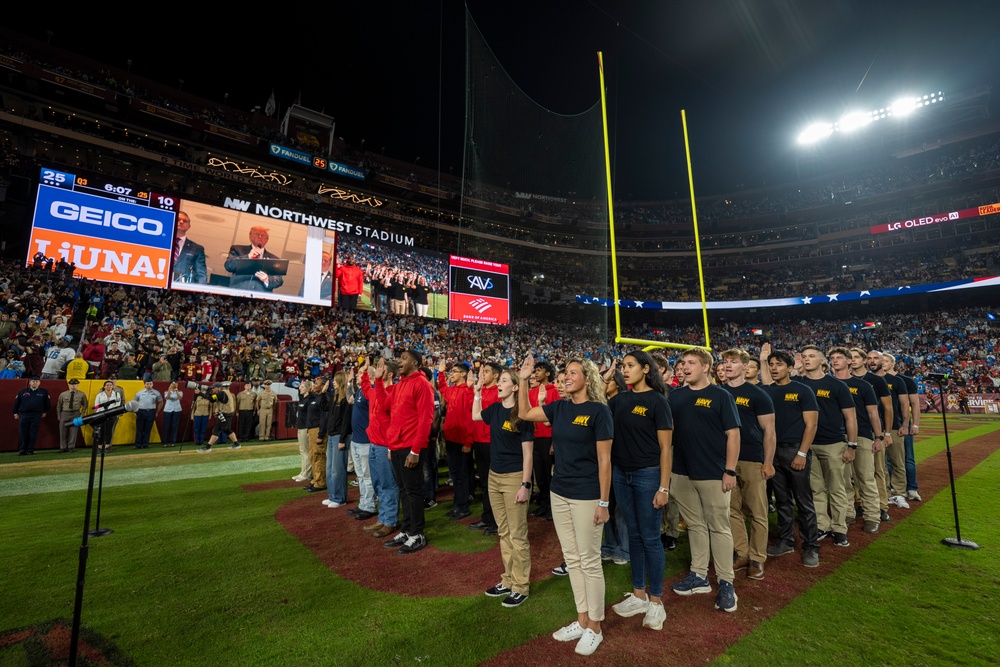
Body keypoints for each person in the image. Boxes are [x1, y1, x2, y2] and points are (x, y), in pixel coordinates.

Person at [518, 354, 613, 657]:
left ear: (588, 377)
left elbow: (605, 461)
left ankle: (595, 627)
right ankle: (583, 619)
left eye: (573, 373)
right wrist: (523, 378)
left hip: (587, 495)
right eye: (565, 373)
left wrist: (603, 502)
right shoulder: (558, 407)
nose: (566, 377)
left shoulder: (599, 412)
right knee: (572, 559)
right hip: (559, 492)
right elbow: (523, 412)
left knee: (589, 560)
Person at [667, 349, 741, 613]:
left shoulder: (721, 395)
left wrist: (729, 470)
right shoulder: (674, 396)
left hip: (713, 472)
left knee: (719, 527)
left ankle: (726, 582)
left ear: (706, 367)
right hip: (681, 471)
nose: (685, 367)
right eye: (682, 362)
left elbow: (733, 435)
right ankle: (699, 576)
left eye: (691, 363)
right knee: (696, 525)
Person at [604, 351, 673, 631]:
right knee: (633, 534)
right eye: (623, 366)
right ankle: (639, 594)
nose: (625, 369)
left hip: (647, 475)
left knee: (650, 537)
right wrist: (605, 376)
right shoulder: (618, 400)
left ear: (646, 369)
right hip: (622, 474)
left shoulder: (658, 401)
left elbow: (666, 448)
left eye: (630, 365)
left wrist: (664, 487)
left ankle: (656, 601)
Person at [474, 367, 534, 608]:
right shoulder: (496, 410)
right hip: (494, 477)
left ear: (516, 387)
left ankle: (521, 586)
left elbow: (528, 454)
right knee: (504, 532)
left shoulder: (522, 414)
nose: (499, 383)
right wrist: (477, 391)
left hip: (514, 478)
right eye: (499, 380)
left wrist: (525, 484)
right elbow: (476, 416)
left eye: (504, 380)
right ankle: (508, 580)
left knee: (518, 535)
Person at [760, 346, 820, 567]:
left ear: (791, 368)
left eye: (779, 365)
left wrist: (802, 453)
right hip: (773, 452)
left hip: (795, 450)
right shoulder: (767, 391)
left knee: (804, 502)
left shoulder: (803, 390)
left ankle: (811, 546)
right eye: (771, 365)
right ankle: (785, 541)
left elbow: (811, 425)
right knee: (782, 500)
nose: (774, 368)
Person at [793, 345, 857, 547]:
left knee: (836, 488)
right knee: (815, 489)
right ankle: (823, 524)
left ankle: (840, 528)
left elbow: (850, 417)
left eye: (811, 356)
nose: (807, 359)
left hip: (833, 443)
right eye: (804, 357)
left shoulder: (836, 385)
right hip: (807, 445)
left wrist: (852, 446)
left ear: (822, 361)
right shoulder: (797, 383)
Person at [720, 348, 775, 582]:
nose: (728, 366)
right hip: (724, 461)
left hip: (752, 458)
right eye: (725, 362)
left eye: (733, 362)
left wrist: (768, 462)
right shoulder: (718, 392)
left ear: (745, 366)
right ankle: (742, 553)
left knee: (757, 511)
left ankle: (757, 558)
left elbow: (769, 431)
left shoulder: (758, 394)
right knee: (731, 509)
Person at [378, 350, 435, 555]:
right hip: (397, 445)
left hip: (411, 447)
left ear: (415, 362)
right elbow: (384, 406)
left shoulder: (422, 385)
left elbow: (426, 419)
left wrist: (415, 450)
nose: (399, 361)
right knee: (403, 490)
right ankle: (407, 529)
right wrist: (378, 381)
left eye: (403, 358)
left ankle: (417, 533)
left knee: (413, 492)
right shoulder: (400, 384)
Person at [828, 347, 884, 533]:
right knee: (841, 480)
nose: (835, 361)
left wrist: (878, 437)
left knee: (865, 478)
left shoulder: (863, 385)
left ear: (849, 362)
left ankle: (872, 516)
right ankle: (848, 513)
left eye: (839, 358)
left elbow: (873, 413)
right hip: (836, 437)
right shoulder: (827, 384)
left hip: (861, 435)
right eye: (832, 358)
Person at [362, 357, 400, 538]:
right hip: (374, 444)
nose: (377, 370)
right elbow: (365, 390)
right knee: (378, 483)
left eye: (380, 368)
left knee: (388, 484)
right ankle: (383, 517)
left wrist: (392, 446)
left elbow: (393, 418)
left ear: (389, 373)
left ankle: (390, 521)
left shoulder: (393, 392)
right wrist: (364, 372)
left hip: (385, 446)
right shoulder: (376, 390)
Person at [438, 360, 475, 520]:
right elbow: (442, 388)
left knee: (461, 475)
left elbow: (470, 419)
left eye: (454, 372)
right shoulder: (452, 389)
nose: (450, 374)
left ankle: (463, 507)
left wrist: (468, 442)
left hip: (462, 441)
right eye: (450, 372)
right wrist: (440, 373)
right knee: (455, 474)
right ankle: (458, 505)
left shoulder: (468, 391)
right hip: (451, 439)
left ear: (463, 374)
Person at [469, 361, 502, 536]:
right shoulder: (480, 391)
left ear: (496, 375)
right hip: (479, 441)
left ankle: (497, 521)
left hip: (492, 443)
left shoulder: (499, 392)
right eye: (481, 372)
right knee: (484, 483)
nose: (482, 375)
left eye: (487, 371)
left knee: (494, 485)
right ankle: (487, 517)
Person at [528, 360, 560, 521]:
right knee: (539, 475)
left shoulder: (554, 391)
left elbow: (556, 418)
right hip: (535, 438)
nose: (535, 373)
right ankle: (544, 505)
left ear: (547, 373)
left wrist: (554, 442)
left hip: (548, 438)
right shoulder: (531, 392)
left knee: (549, 475)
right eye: (535, 370)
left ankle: (553, 508)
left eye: (539, 370)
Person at [345, 367, 377, 521]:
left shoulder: (371, 391)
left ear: (368, 375)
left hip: (365, 441)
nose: (357, 375)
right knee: (361, 476)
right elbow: (349, 399)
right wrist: (349, 383)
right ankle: (363, 504)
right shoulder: (359, 392)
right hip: (356, 440)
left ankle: (370, 506)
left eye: (359, 374)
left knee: (367, 476)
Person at [321, 371, 353, 508]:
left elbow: (346, 421)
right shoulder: (335, 397)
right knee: (329, 469)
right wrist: (323, 393)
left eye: (335, 380)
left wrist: (342, 439)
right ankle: (332, 495)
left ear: (340, 381)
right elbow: (324, 408)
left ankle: (340, 498)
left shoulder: (345, 399)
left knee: (337, 469)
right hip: (332, 435)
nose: (333, 382)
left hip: (339, 437)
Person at [225, 226, 284, 292]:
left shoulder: (274, 259)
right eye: (257, 234)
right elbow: (229, 266)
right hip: (237, 294)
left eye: (263, 235)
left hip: (260, 298)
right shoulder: (237, 249)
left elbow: (279, 281)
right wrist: (248, 256)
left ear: (267, 240)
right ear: (250, 237)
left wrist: (267, 279)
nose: (260, 237)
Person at [197, 383, 241, 452]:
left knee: (216, 430)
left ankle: (208, 447)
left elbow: (211, 398)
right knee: (227, 430)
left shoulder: (221, 393)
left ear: (218, 388)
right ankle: (236, 444)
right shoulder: (225, 392)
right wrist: (208, 393)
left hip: (225, 414)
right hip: (227, 413)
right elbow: (212, 400)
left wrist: (200, 393)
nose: (213, 390)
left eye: (213, 388)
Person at [14, 376, 51, 455]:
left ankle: (31, 449)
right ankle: (22, 449)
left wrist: (45, 411)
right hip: (24, 414)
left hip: (36, 415)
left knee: (33, 432)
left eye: (36, 381)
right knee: (23, 432)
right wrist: (15, 412)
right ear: (30, 382)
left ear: (39, 383)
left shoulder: (43, 392)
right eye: (33, 381)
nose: (35, 383)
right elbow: (17, 403)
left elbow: (47, 403)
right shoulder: (23, 392)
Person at [171, 211, 208, 284]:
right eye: (178, 219)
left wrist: (200, 293)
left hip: (181, 289)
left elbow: (200, 275)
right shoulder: (161, 242)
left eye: (185, 221)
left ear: (189, 226)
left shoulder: (197, 249)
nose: (181, 222)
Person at [56, 377, 88, 452]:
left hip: (76, 412)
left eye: (75, 384)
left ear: (77, 385)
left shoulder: (82, 394)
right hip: (65, 412)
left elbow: (85, 404)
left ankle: (71, 446)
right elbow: (59, 405)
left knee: (74, 430)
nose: (73, 386)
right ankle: (62, 447)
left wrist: (82, 414)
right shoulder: (63, 394)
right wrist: (59, 415)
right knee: (62, 430)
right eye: (72, 384)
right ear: (69, 385)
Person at [93, 380, 124, 452]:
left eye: (110, 385)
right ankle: (99, 446)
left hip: (112, 414)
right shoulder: (100, 395)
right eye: (107, 385)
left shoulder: (116, 394)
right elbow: (96, 405)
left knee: (109, 430)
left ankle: (107, 445)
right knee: (101, 430)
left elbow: (117, 404)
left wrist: (110, 411)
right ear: (104, 387)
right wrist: (102, 410)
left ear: (112, 386)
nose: (109, 386)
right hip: (101, 414)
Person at [292, 380, 314, 482]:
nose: (300, 388)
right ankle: (303, 472)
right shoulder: (303, 398)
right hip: (300, 427)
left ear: (308, 389)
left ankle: (306, 474)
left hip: (305, 427)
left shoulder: (309, 399)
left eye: (302, 387)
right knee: (302, 451)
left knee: (306, 452)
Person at [133, 379, 163, 449]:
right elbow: (134, 402)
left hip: (151, 411)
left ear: (152, 384)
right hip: (141, 411)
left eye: (150, 384)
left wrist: (157, 411)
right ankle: (138, 444)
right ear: (145, 385)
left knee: (148, 429)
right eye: (147, 384)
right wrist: (135, 411)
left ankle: (145, 444)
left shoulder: (156, 393)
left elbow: (161, 402)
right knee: (139, 429)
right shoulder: (140, 393)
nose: (149, 385)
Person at [190, 385, 213, 450]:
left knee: (203, 429)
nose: (203, 392)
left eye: (204, 390)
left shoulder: (208, 397)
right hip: (197, 414)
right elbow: (193, 407)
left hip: (205, 414)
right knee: (197, 429)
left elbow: (210, 407)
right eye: (202, 390)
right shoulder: (197, 397)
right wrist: (192, 415)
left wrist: (210, 414)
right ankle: (197, 441)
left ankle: (201, 441)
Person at [161, 382, 183, 447]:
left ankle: (173, 442)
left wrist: (176, 391)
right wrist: (169, 389)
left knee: (175, 426)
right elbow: (167, 397)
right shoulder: (166, 391)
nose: (174, 385)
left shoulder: (180, 392)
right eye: (172, 384)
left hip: (177, 409)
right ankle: (165, 442)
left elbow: (180, 398)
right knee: (166, 426)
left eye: (175, 384)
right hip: (168, 409)